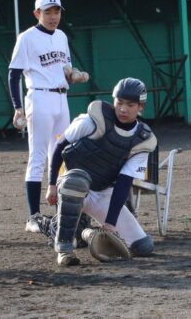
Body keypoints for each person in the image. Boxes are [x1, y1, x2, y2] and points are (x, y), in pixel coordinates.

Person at [45, 78, 156, 266]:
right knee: (76, 181)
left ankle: (85, 232)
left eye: (130, 105)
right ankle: (63, 248)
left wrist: (110, 223)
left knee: (143, 247)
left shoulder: (142, 140)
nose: (123, 109)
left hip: (104, 193)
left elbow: (124, 183)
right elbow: (59, 147)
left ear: (141, 107)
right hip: (73, 189)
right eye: (119, 102)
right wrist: (51, 185)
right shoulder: (93, 120)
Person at [8, 0, 88, 233]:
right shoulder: (27, 38)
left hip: (61, 99)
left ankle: (62, 212)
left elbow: (65, 70)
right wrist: (17, 107)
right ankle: (33, 217)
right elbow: (13, 74)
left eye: (57, 12)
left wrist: (74, 75)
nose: (53, 17)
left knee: (62, 153)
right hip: (39, 97)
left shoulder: (61, 36)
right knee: (38, 156)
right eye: (48, 12)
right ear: (37, 13)